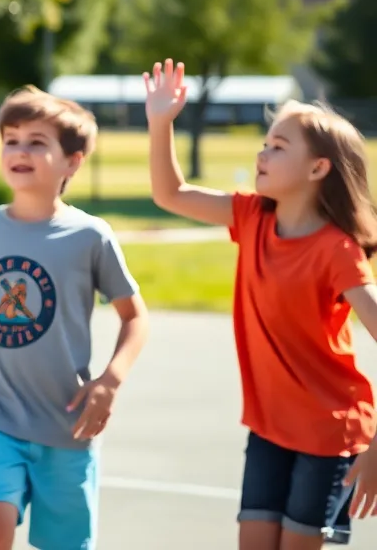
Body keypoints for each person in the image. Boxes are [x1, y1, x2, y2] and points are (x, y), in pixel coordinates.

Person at [144, 58, 377, 548]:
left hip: (329, 435)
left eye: (278, 146)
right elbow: (171, 193)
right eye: (265, 143)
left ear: (318, 168)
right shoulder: (250, 215)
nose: (262, 153)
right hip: (270, 429)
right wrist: (161, 121)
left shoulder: (338, 251)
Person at [0, 86, 150, 550]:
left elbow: (135, 316)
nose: (20, 150)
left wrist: (109, 381)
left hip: (67, 425)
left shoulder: (90, 236)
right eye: (11, 139)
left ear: (72, 162)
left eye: (37, 141)